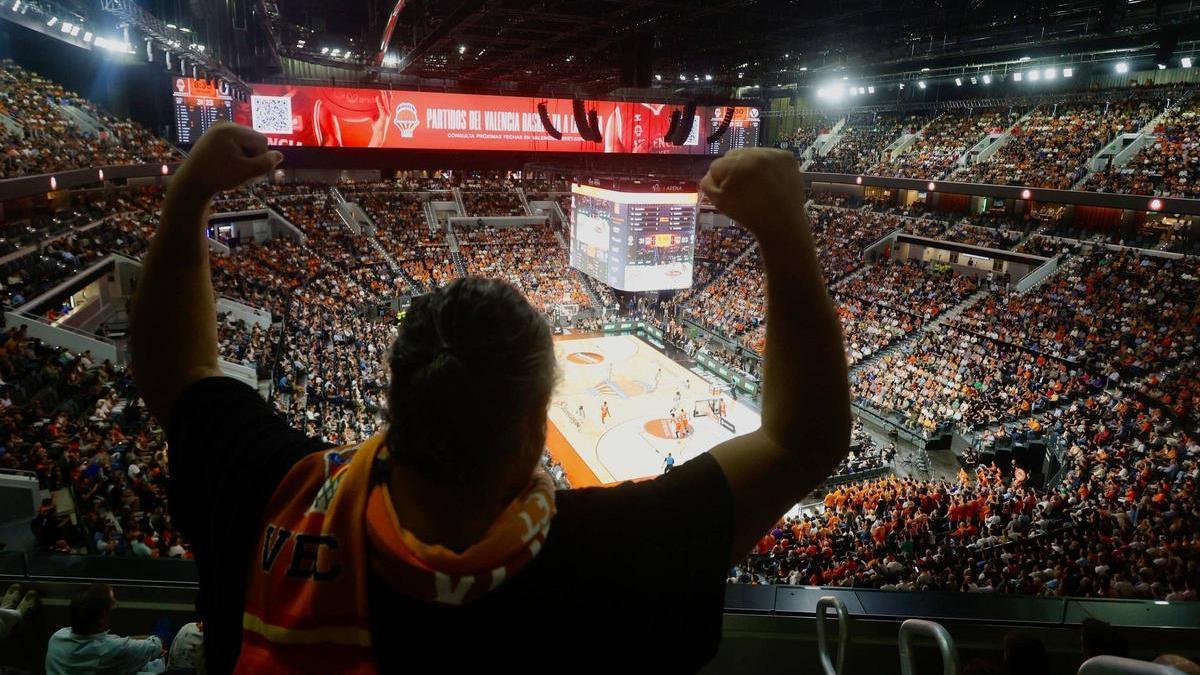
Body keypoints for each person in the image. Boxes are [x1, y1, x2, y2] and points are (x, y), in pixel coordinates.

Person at [131, 128, 849, 671]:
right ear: (538, 427)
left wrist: (189, 191)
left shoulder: (278, 496)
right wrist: (787, 231)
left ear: (396, 400)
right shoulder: (616, 557)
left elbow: (177, 372)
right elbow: (804, 440)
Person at [45, 583, 165, 675]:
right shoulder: (112, 649)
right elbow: (157, 646)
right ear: (102, 618)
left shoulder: (57, 637)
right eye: (113, 604)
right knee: (165, 624)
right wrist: (150, 640)